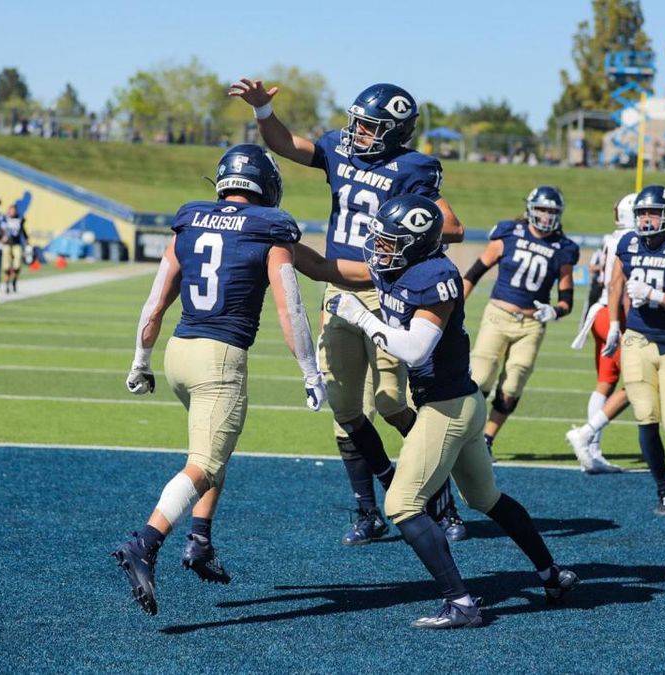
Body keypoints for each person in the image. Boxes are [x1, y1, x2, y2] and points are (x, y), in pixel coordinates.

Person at [296, 194, 576, 628]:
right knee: (487, 499)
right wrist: (279, 242)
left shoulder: (435, 277)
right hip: (459, 402)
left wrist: (361, 317)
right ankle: (551, 573)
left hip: (447, 408)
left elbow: (415, 347)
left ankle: (460, 601)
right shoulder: (399, 266)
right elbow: (327, 268)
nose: (378, 249)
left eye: (389, 242)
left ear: (415, 244)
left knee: (403, 504)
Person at [230, 77, 468, 544]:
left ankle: (440, 500)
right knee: (345, 406)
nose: (357, 132)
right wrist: (262, 111)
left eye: (369, 126)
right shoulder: (340, 148)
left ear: (395, 131)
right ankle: (369, 508)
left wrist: (407, 235)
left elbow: (453, 227)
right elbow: (287, 145)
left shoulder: (413, 167)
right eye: (357, 123)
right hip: (338, 288)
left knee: (391, 401)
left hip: (386, 292)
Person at [113, 145, 325, 616]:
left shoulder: (190, 220)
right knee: (205, 461)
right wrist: (310, 370)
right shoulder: (270, 228)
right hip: (220, 360)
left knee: (213, 451)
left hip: (178, 354)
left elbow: (156, 301)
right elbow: (291, 309)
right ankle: (144, 543)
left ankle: (201, 540)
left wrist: (139, 359)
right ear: (267, 186)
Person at [600, 185, 665, 516]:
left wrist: (657, 296)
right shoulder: (626, 244)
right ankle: (664, 491)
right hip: (636, 339)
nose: (647, 220)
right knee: (645, 417)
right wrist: (615, 325)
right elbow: (615, 284)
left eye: (654, 213)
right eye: (642, 213)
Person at [460, 186, 578, 459]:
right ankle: (470, 436)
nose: (547, 216)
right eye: (542, 209)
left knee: (512, 386)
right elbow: (474, 273)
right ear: (530, 209)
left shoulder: (564, 248)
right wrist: (456, 308)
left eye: (552, 211)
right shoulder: (509, 232)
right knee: (480, 378)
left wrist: (555, 312)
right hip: (498, 316)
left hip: (532, 324)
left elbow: (567, 299)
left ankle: (487, 439)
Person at [565, 193, 639, 472]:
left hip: (600, 313)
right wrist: (623, 323)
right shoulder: (631, 240)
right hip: (614, 313)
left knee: (606, 381)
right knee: (637, 381)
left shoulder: (612, 238)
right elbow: (622, 285)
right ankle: (587, 439)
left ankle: (592, 451)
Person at [0, 205, 28, 294]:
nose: (12, 212)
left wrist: (27, 242)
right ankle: (7, 284)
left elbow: (23, 231)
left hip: (17, 243)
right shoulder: (4, 219)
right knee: (6, 266)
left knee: (17, 264)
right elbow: (1, 230)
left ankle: (14, 281)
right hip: (7, 244)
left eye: (13, 211)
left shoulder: (19, 219)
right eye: (10, 210)